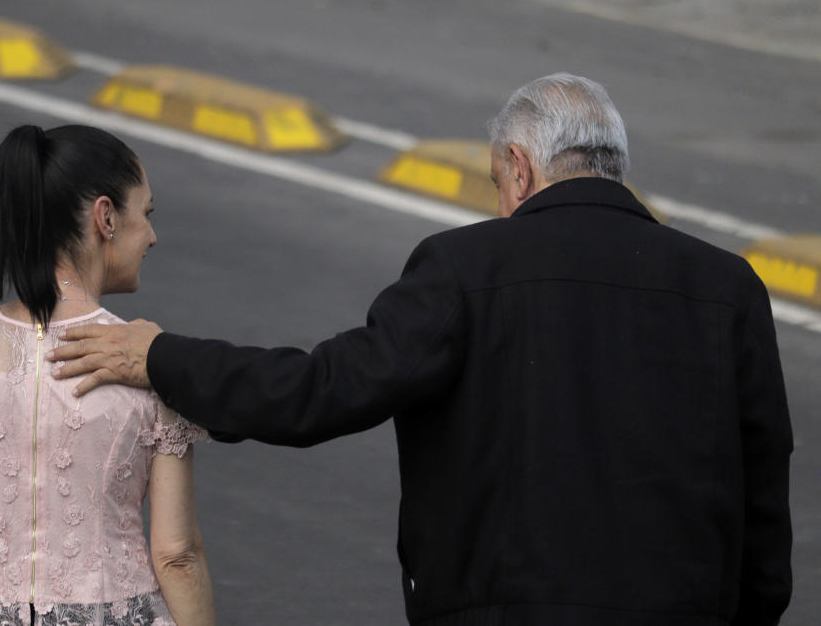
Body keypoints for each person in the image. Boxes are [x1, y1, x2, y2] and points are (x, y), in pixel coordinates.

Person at [48, 74, 792, 625]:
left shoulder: (463, 268)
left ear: (520, 168)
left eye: (499, 184)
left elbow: (320, 391)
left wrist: (162, 357)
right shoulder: (728, 288)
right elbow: (765, 487)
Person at [0, 125, 215, 626]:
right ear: (105, 217)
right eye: (145, 214)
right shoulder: (146, 361)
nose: (152, 236)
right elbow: (177, 553)